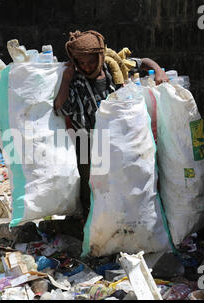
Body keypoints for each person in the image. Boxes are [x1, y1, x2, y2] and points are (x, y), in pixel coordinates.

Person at [54, 30, 168, 221]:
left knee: (122, 181)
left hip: (117, 139)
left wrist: (158, 71)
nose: (87, 67)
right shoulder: (75, 80)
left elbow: (144, 61)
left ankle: (125, 220)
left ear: (100, 57)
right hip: (86, 140)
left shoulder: (115, 67)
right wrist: (66, 78)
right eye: (81, 63)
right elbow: (61, 107)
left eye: (91, 62)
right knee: (89, 184)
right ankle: (91, 223)